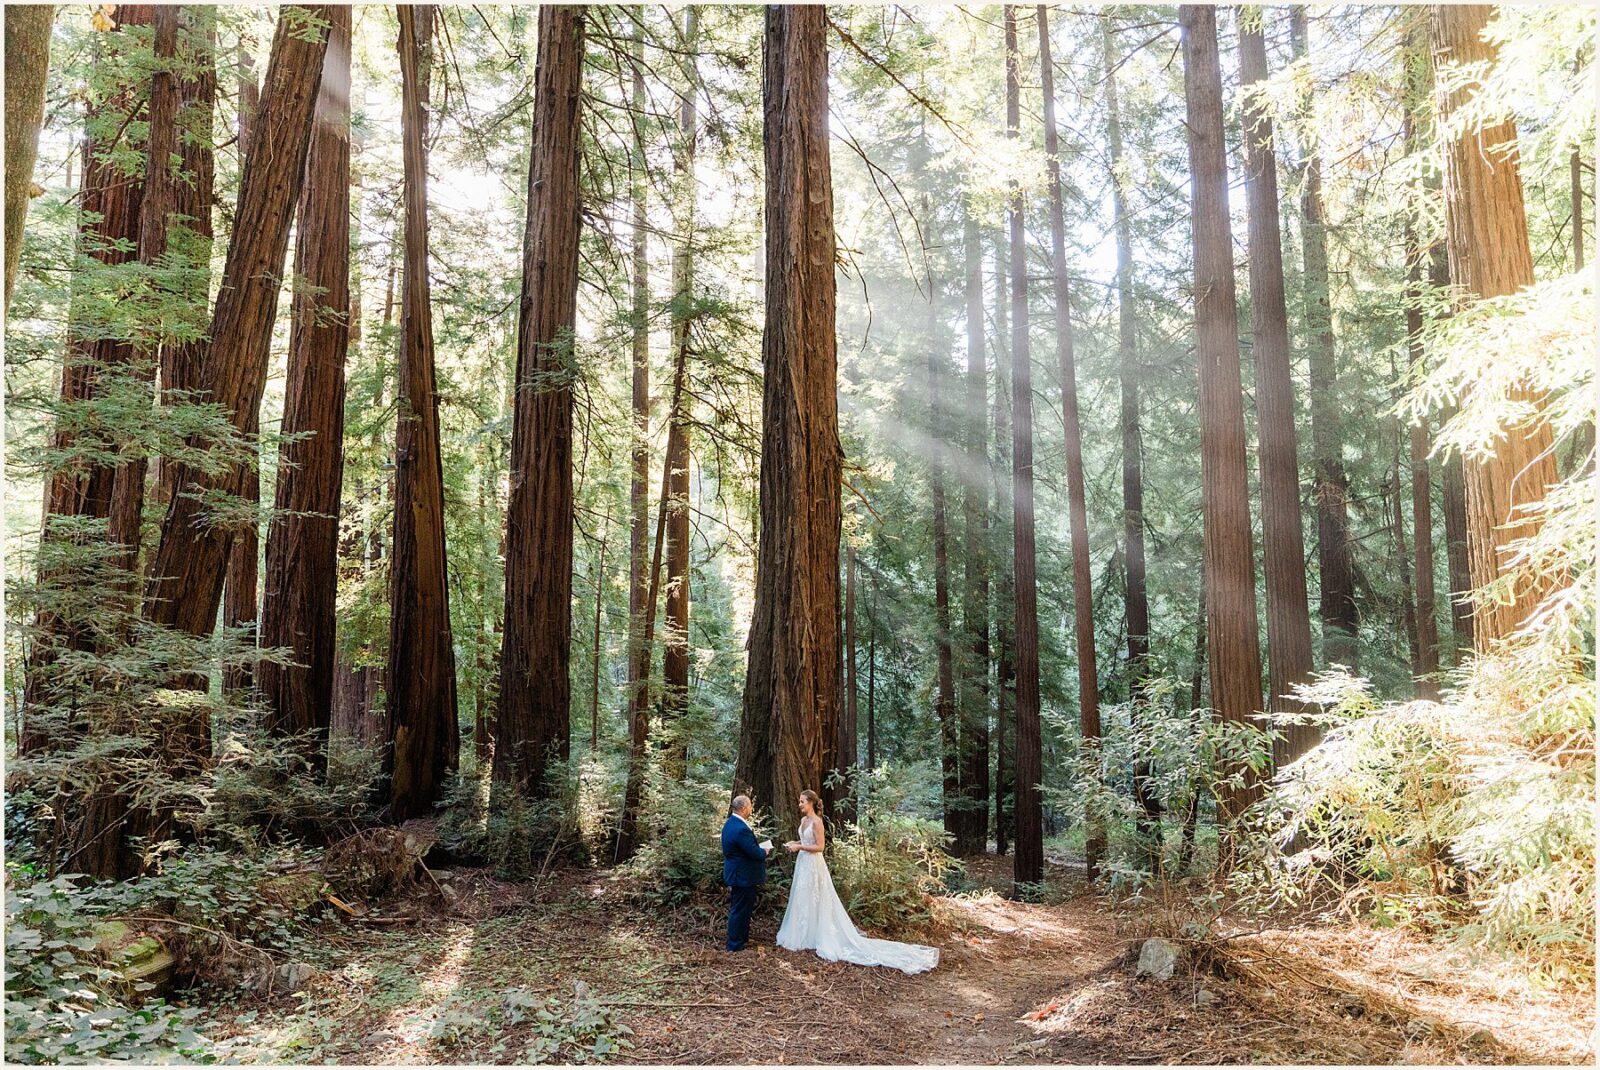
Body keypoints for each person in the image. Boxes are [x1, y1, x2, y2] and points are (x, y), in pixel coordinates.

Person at [775, 789, 940, 974]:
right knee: (802, 896)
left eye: (802, 801)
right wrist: (795, 843)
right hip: (803, 863)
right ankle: (804, 934)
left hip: (814, 864)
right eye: (799, 801)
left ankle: (818, 934)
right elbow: (806, 840)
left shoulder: (817, 822)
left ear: (811, 803)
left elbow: (820, 846)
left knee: (817, 897)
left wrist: (799, 847)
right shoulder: (803, 821)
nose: (800, 804)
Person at [721, 794, 772, 952]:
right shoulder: (741, 829)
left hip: (737, 873)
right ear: (743, 808)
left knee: (741, 908)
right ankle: (735, 944)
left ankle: (741, 939)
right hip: (742, 875)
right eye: (750, 806)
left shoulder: (730, 823)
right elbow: (753, 852)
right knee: (740, 909)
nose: (751, 808)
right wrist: (764, 851)